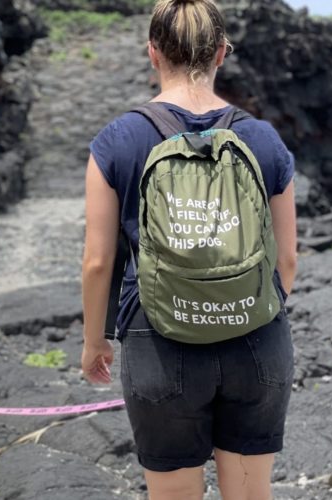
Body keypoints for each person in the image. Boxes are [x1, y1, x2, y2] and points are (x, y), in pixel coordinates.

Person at [80, 1, 297, 499]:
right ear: (221, 52)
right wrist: (246, 308)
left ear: (153, 53)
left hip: (160, 342)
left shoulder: (116, 141)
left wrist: (96, 342)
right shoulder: (264, 139)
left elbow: (98, 262)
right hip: (257, 342)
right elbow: (286, 260)